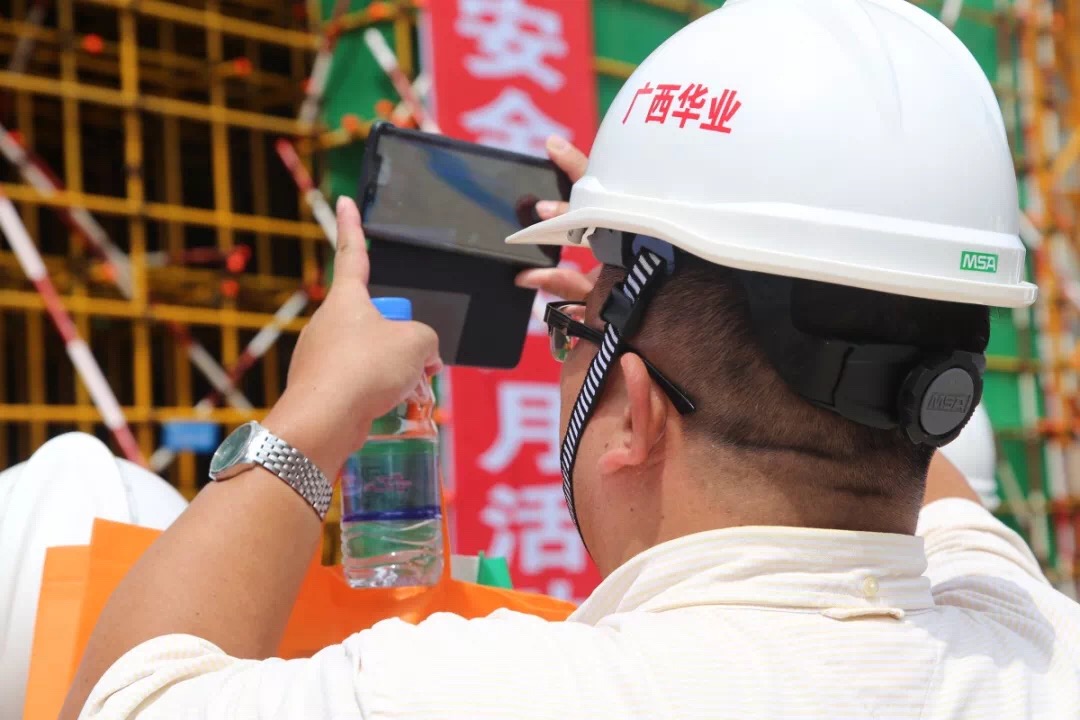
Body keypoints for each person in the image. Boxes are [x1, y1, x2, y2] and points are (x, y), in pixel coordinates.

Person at [64, 1, 1080, 718]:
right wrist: (654, 277)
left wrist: (313, 412)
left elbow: (127, 696)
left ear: (634, 410)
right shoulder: (1037, 633)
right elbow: (893, 415)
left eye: (574, 336)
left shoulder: (482, 692)